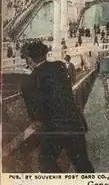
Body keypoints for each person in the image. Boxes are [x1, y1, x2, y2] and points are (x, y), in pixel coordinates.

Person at [20, 41, 94, 173]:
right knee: (82, 163)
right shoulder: (59, 67)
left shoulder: (28, 82)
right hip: (74, 124)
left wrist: (31, 75)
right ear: (44, 55)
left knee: (46, 163)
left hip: (53, 130)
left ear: (29, 59)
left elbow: (35, 115)